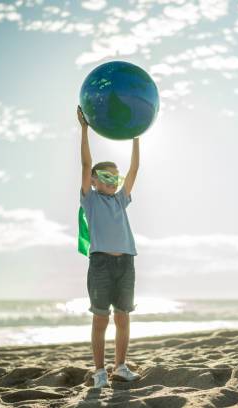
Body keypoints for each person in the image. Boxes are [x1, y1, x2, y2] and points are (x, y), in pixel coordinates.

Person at [78, 105, 141, 388]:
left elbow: (134, 169)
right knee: (101, 319)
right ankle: (100, 371)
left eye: (115, 178)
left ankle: (121, 367)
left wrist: (136, 136)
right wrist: (84, 129)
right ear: (94, 181)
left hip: (126, 263)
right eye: (106, 178)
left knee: (123, 316)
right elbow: (85, 164)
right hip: (101, 264)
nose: (113, 182)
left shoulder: (120, 199)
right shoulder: (90, 200)